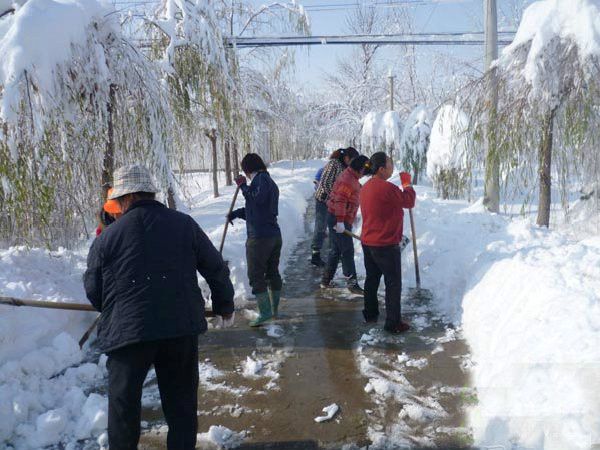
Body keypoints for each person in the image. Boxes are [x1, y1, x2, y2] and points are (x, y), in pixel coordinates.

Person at [84, 165, 234, 450]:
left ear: (123, 199)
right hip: (179, 328)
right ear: (151, 193)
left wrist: (117, 307)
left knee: (123, 410)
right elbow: (215, 267)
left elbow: (95, 291)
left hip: (128, 335)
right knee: (181, 406)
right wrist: (224, 304)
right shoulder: (184, 224)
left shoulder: (107, 238)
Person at [359, 152, 416, 334]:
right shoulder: (387, 188)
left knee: (372, 279)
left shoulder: (366, 187)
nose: (392, 167)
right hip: (385, 244)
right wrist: (407, 183)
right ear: (382, 169)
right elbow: (409, 201)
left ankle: (370, 314)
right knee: (393, 284)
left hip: (368, 242)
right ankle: (393, 323)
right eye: (390, 164)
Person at [228, 153, 282, 327]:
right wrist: (237, 213)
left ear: (248, 169)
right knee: (272, 272)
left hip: (260, 238)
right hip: (273, 235)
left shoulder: (261, 182)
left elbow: (256, 199)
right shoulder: (268, 182)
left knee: (256, 275)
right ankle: (273, 309)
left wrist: (243, 186)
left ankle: (266, 312)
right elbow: (257, 209)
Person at [321, 154, 371, 295]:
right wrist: (341, 221)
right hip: (337, 218)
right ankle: (352, 283)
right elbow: (340, 201)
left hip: (338, 217)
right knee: (347, 250)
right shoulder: (348, 180)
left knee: (336, 250)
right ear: (359, 169)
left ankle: (326, 280)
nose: (363, 175)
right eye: (363, 171)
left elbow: (351, 197)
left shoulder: (351, 176)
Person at [311, 147, 359, 267]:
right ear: (347, 158)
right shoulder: (334, 164)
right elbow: (326, 183)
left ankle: (335, 255)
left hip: (334, 202)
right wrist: (336, 197)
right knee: (321, 226)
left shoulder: (345, 167)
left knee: (334, 228)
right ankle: (315, 255)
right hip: (323, 200)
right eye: (352, 160)